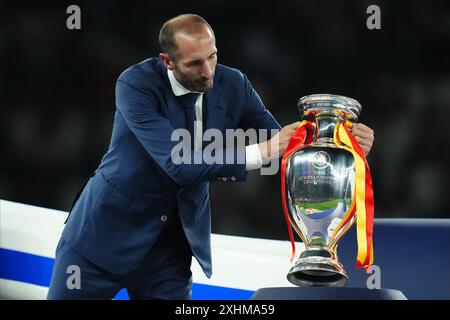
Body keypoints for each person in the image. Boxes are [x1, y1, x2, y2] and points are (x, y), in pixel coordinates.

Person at [47, 14, 374, 300]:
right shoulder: (136, 84)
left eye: (212, 57)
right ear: (167, 61)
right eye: (195, 63)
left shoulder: (234, 84)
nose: (208, 72)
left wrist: (341, 144)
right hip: (100, 242)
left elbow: (287, 149)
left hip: (169, 256)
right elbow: (177, 162)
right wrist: (261, 151)